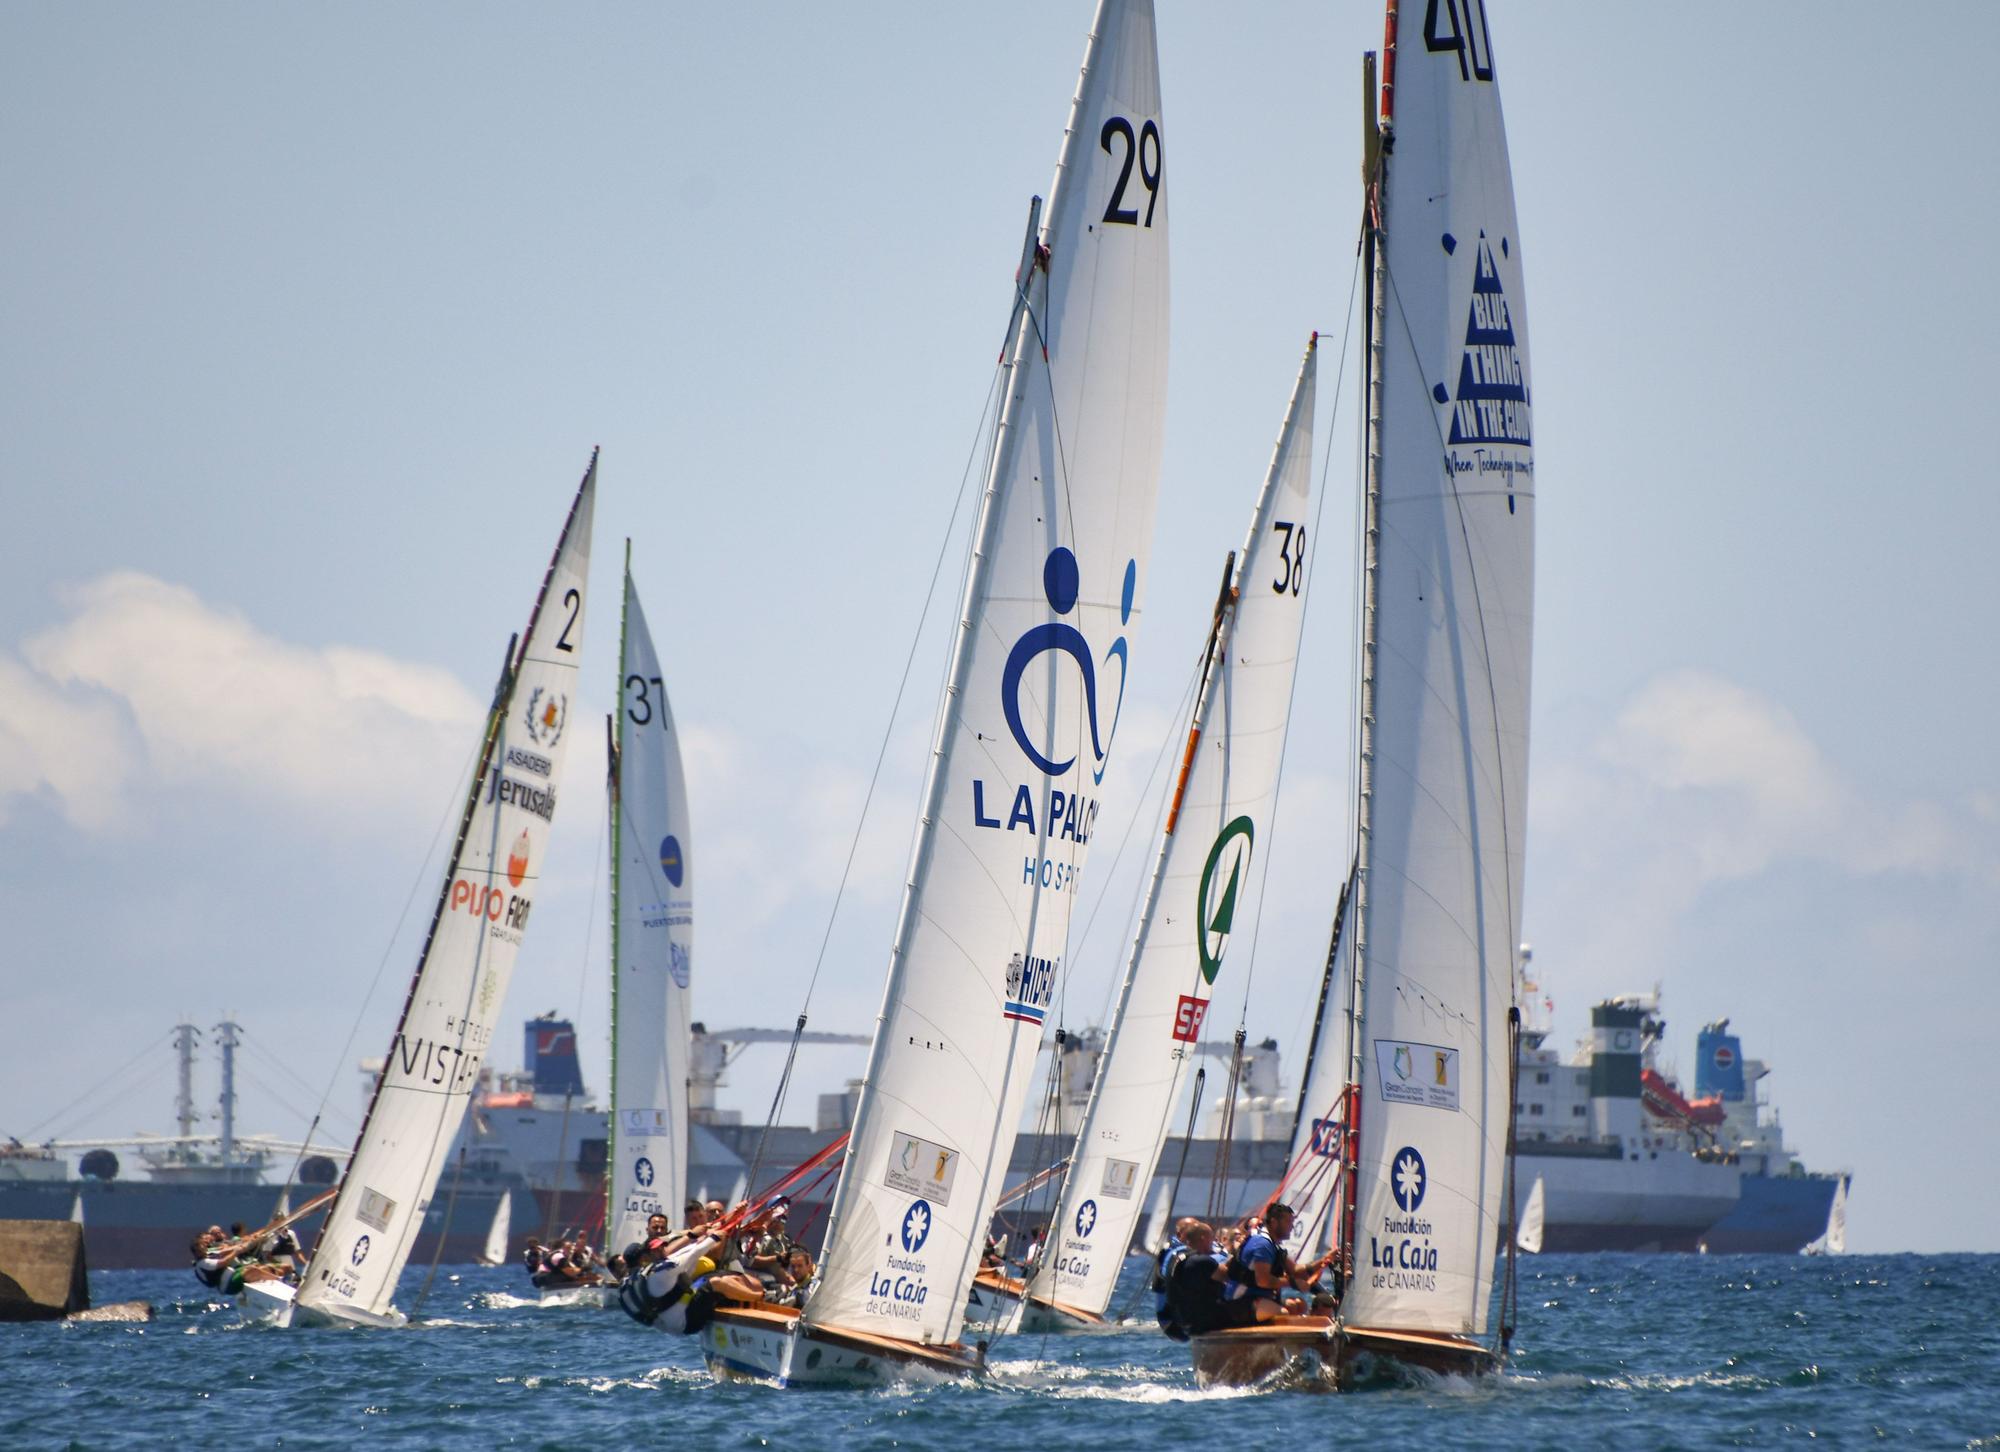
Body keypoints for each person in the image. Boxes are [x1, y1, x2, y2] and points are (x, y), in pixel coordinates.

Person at [1165, 1221, 1274, 1337]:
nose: (1213, 1243)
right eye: (1212, 1239)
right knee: (1262, 1306)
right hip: (1205, 1322)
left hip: (1184, 1322)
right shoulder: (1201, 1261)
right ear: (1203, 1238)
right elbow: (1229, 1275)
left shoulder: (1178, 1259)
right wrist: (1241, 1249)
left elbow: (1220, 1269)